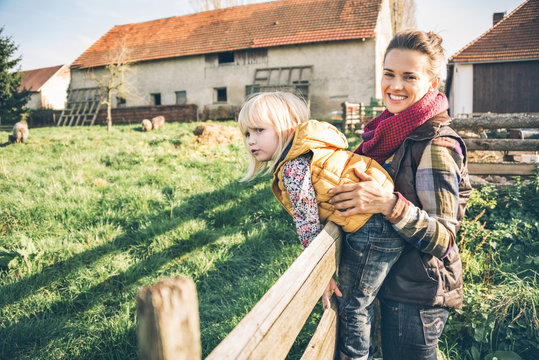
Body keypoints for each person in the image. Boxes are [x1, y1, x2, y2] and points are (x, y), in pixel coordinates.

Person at [328, 29, 473, 360]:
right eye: (389, 74)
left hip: (417, 296)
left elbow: (444, 239)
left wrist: (387, 203)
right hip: (392, 282)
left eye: (409, 76)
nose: (395, 86)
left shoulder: (436, 145)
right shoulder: (389, 133)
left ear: (432, 84)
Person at [237, 91, 405, 360]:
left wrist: (320, 271)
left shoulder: (292, 167)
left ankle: (356, 356)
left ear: (288, 125)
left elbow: (306, 221)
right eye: (246, 133)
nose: (251, 141)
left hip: (372, 229)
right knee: (362, 298)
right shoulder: (316, 148)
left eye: (259, 130)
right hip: (379, 225)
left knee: (353, 304)